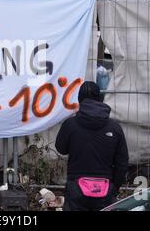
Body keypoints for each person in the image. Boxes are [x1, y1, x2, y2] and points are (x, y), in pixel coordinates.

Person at [55, 81, 129, 211]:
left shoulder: (70, 124)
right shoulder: (114, 127)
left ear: (79, 99)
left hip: (76, 185)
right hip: (105, 187)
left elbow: (61, 149)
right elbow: (122, 162)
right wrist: (114, 187)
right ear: (100, 98)